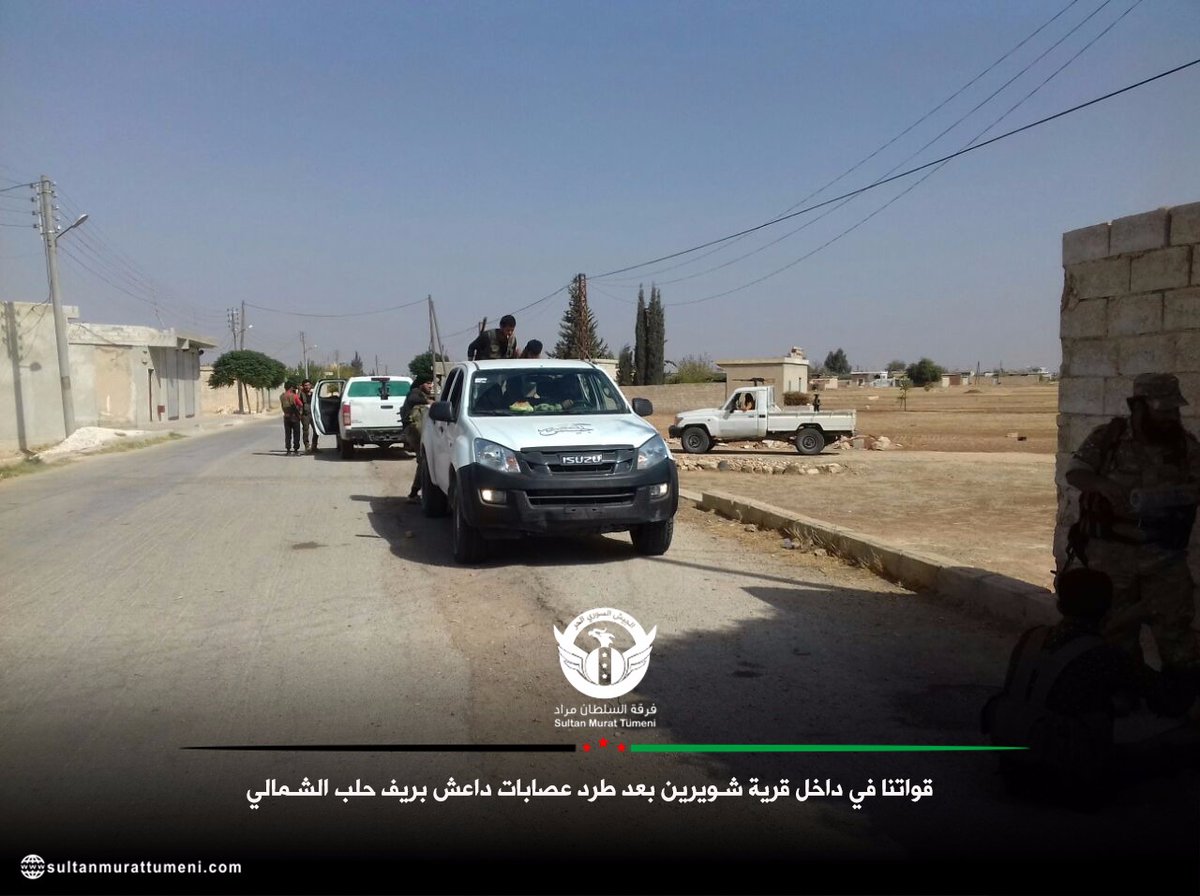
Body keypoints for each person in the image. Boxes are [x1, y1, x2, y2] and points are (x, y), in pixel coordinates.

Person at [982, 567, 1188, 802]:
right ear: (1107, 609)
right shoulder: (1105, 656)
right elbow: (1171, 701)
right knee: (1175, 747)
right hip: (1069, 779)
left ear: (1060, 605)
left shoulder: (1033, 636)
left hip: (1014, 769)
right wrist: (1183, 664)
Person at [1064, 373, 1200, 677]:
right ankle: (1124, 689)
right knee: (1114, 632)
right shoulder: (1108, 438)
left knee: (1176, 630)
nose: (1171, 416)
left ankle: (1178, 693)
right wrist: (1104, 487)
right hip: (1112, 555)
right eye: (1162, 409)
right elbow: (1075, 473)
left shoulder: (1185, 446)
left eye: (1174, 409)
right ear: (1138, 406)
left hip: (1165, 555)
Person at [402, 375, 435, 503]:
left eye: (431, 383)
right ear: (421, 384)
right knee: (423, 461)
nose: (431, 386)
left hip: (417, 431)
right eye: (428, 383)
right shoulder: (415, 393)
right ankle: (413, 493)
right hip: (413, 431)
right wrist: (428, 401)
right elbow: (413, 398)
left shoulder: (421, 394)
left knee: (424, 461)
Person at [279, 382, 303, 455]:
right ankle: (296, 450)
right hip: (294, 416)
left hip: (286, 417)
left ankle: (288, 450)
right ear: (291, 388)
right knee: (296, 434)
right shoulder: (294, 396)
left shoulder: (282, 396)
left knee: (288, 434)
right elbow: (300, 404)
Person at [299, 379, 317, 453]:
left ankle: (314, 446)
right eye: (305, 385)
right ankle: (307, 446)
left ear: (311, 385)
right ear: (303, 386)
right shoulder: (301, 394)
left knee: (316, 430)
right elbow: (298, 403)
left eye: (308, 385)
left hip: (313, 414)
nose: (307, 387)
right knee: (306, 431)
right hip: (305, 415)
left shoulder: (314, 394)